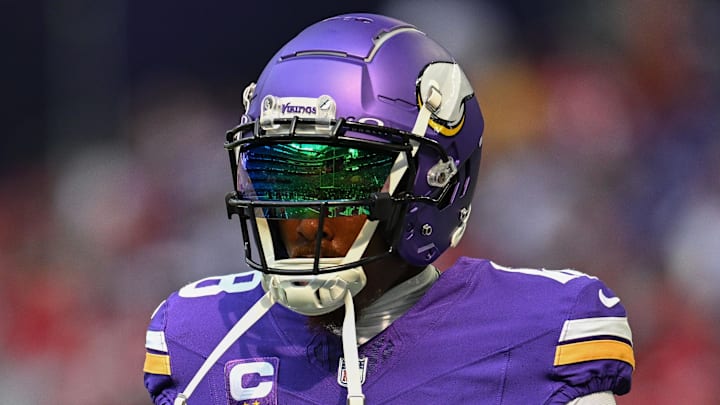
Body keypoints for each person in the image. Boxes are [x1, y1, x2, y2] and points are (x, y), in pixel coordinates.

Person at [142, 13, 634, 405]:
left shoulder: (539, 333)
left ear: (434, 184)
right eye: (281, 176)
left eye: (344, 179)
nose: (307, 221)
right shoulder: (201, 337)